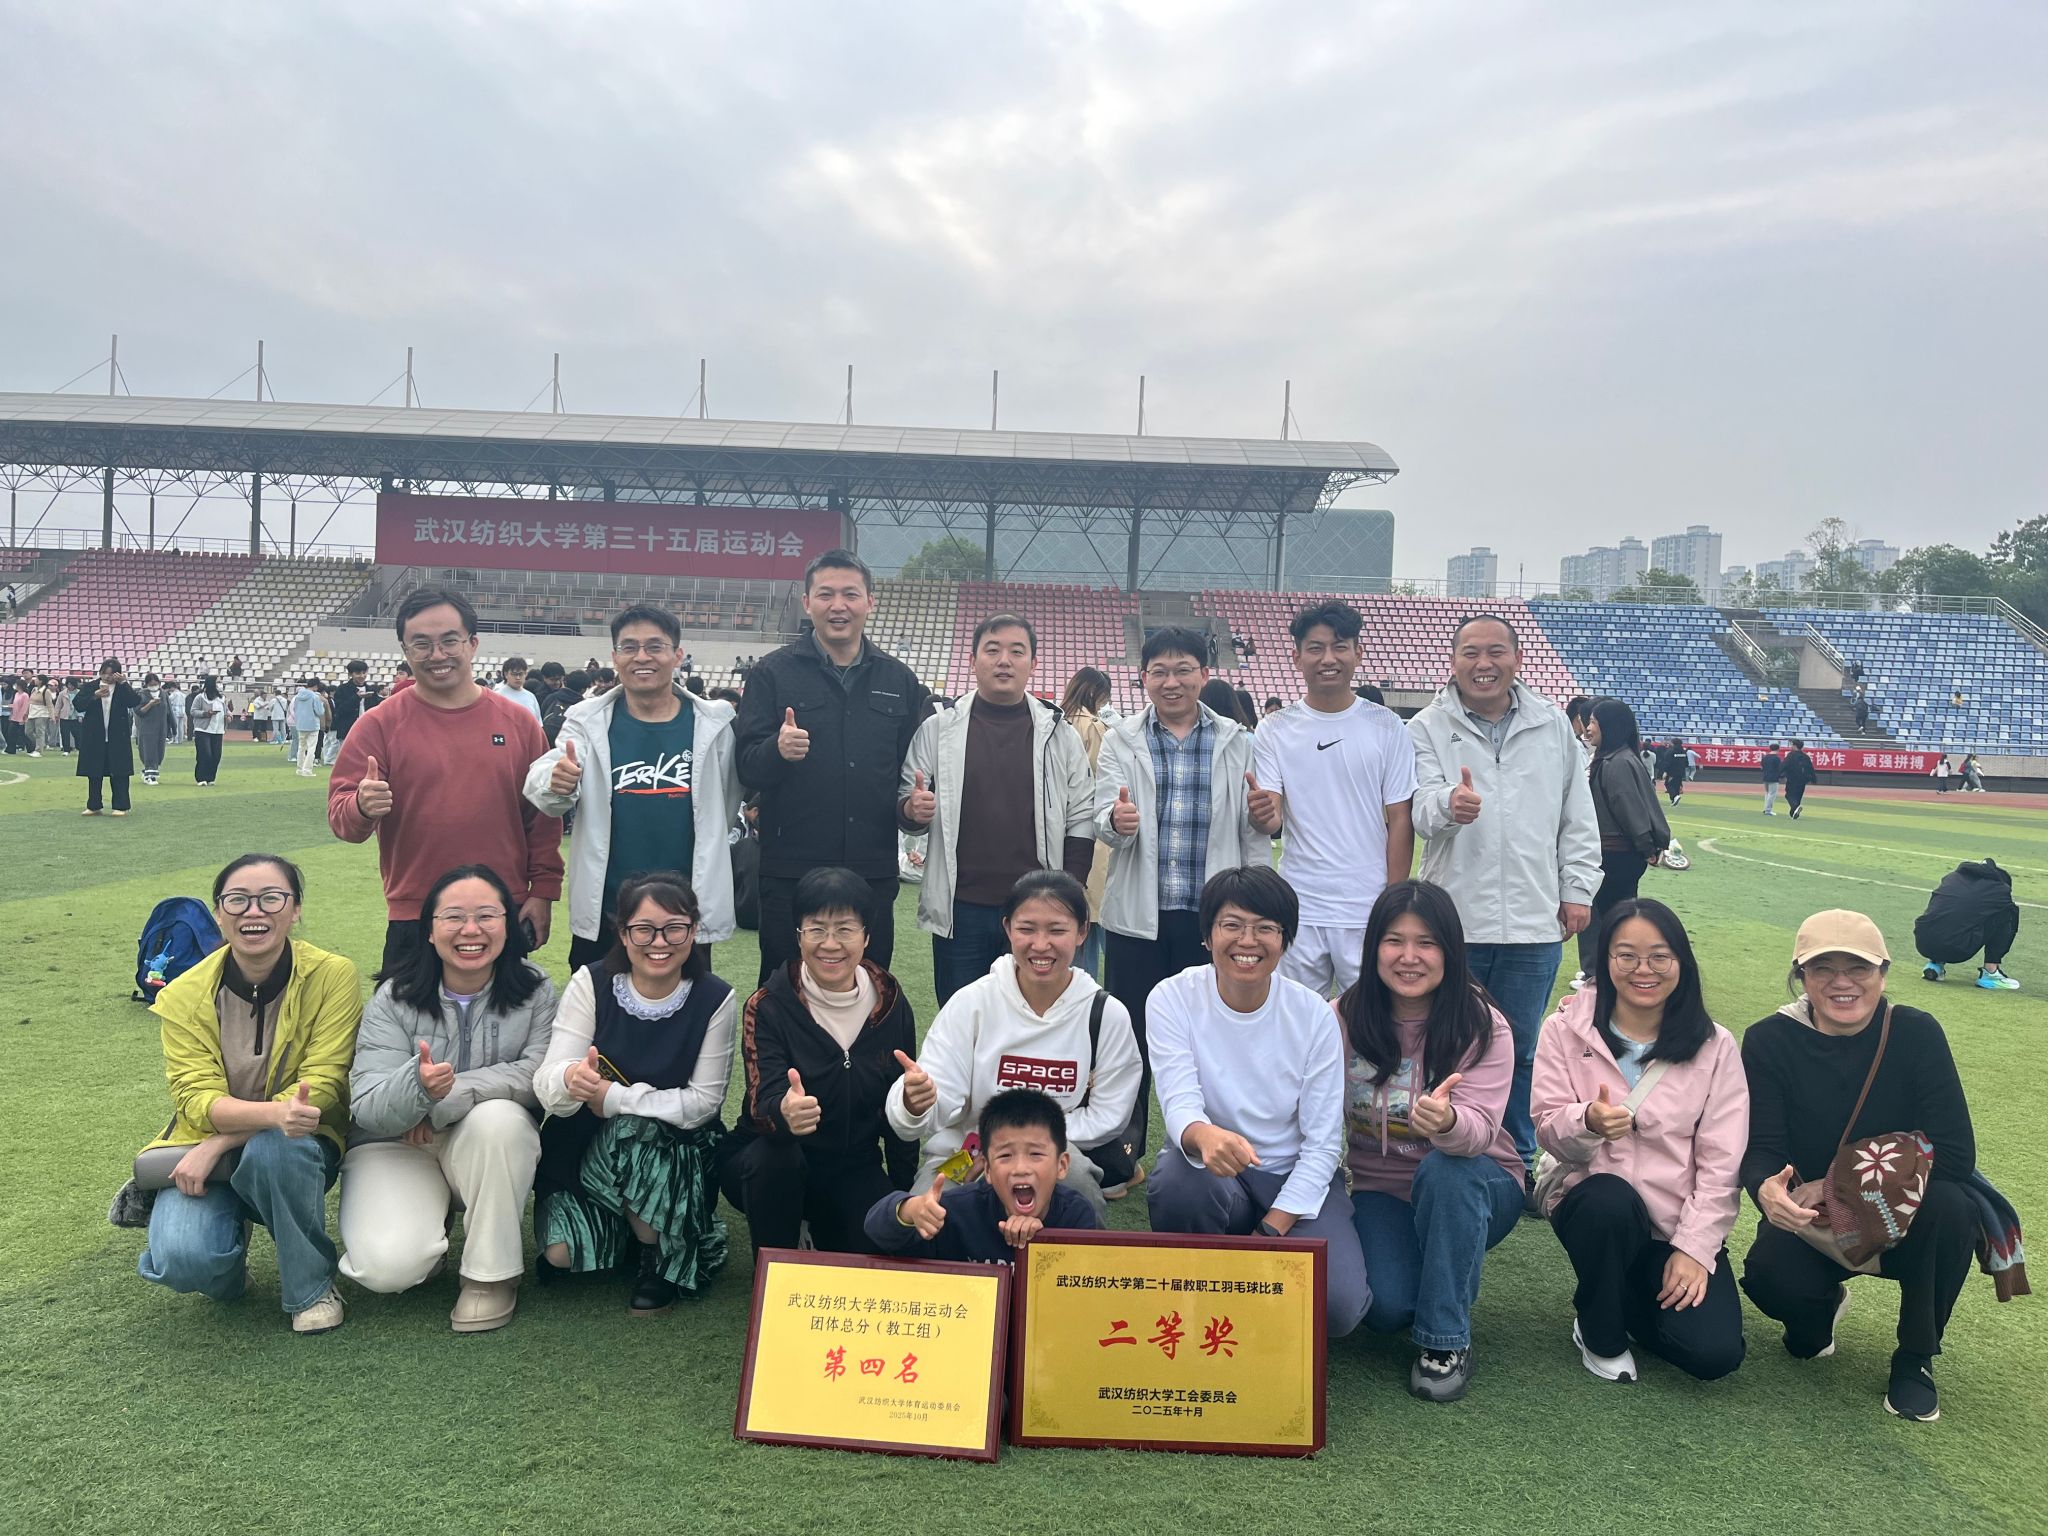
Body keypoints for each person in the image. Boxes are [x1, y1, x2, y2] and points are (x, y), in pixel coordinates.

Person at [1739, 910, 1979, 1423]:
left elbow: (1956, 1153)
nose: (1842, 982)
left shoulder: (1915, 1032)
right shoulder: (1768, 1040)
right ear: (1802, 976)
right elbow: (1762, 1147)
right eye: (1823, 968)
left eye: (1859, 968)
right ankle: (1820, 1311)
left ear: (1883, 974)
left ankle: (1915, 1357)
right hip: (1815, 1222)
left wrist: (1836, 1183)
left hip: (1903, 1217)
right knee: (1770, 1281)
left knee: (1954, 1207)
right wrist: (1765, 1189)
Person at [1407, 614, 1601, 1186]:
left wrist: (1577, 889)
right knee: (1444, 1042)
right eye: (1470, 652)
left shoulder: (1551, 725)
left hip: (1533, 920)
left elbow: (1577, 815)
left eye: (1495, 651)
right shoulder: (1426, 726)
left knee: (1520, 1048)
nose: (1483, 663)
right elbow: (1417, 809)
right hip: (1454, 921)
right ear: (1453, 661)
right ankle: (1434, 1148)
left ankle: (1514, 1159)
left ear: (1518, 658)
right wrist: (1448, 805)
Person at [134, 855, 361, 1334]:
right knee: (183, 1260)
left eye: (271, 898)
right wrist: (260, 1121)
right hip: (207, 1146)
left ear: (295, 909)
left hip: (297, 1145)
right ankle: (228, 1257)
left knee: (276, 1148)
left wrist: (223, 1140)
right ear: (219, 913)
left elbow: (323, 1083)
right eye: (237, 900)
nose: (253, 911)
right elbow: (195, 1100)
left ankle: (312, 1288)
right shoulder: (183, 993)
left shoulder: (332, 975)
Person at [1144, 865, 1370, 1342]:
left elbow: (1323, 1144)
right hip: (1216, 1173)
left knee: (1337, 1308)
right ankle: (1195, 1295)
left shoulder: (1313, 1015)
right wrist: (1203, 1136)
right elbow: (1180, 1100)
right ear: (1208, 935)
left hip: (1293, 1179)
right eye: (1232, 925)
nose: (1247, 941)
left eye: (1265, 928)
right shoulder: (1172, 997)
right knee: (1180, 1180)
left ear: (1285, 940)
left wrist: (1270, 1231)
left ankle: (1246, 1269)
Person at [1093, 626, 1278, 1195]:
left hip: (1212, 920)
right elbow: (1102, 815)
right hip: (1139, 917)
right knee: (1130, 1040)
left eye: (1183, 669)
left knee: (1213, 1036)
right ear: (1143, 678)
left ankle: (1212, 1148)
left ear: (1204, 674)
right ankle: (1122, 1156)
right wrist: (1115, 822)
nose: (1171, 682)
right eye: (1159, 671)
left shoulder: (1237, 741)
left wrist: (1255, 894)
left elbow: (1254, 832)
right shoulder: (1121, 740)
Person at [1533, 898, 1749, 1384]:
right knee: (1609, 1200)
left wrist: (1694, 1249)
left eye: (1659, 956)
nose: (1643, 970)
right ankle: (1599, 1331)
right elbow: (1547, 1127)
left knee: (1714, 1354)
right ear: (1605, 960)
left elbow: (1722, 1162)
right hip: (1594, 1209)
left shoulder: (1715, 1046)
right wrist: (1586, 1120)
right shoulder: (1564, 1030)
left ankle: (1620, 1293)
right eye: (1626, 955)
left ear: (1681, 962)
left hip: (1673, 1225)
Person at [338, 864, 554, 1332]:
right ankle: (426, 1240)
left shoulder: (535, 990)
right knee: (387, 1268)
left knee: (501, 1121)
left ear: (507, 924)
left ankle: (490, 1277)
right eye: (454, 917)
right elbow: (369, 1106)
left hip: (481, 1141)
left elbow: (539, 1074)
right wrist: (415, 1087)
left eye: (487, 916)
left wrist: (445, 1098)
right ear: (430, 931)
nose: (471, 930)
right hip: (398, 1143)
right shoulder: (394, 998)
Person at [1336, 880, 1525, 1401]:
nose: (1409, 957)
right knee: (1386, 1310)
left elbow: (1479, 1132)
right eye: (1394, 941)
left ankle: (1445, 1341)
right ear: (1374, 946)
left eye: (1427, 943)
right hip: (1381, 1189)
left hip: (1478, 1183)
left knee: (1447, 1171)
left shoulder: (1484, 1025)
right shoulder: (1342, 1017)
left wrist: (1446, 1123)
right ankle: (1437, 1266)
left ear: (1451, 950)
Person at [329, 588, 563, 979]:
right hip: (415, 912)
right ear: (405, 651)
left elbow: (542, 820)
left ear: (473, 644)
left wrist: (543, 891)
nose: (437, 655)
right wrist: (361, 807)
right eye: (421, 644)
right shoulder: (378, 725)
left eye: (449, 641)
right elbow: (342, 818)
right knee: (406, 1019)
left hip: (500, 909)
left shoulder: (520, 724)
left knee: (507, 1018)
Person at [534, 873, 735, 1313]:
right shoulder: (590, 982)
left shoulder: (715, 997)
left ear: (694, 931)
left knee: (633, 1128)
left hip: (673, 1146)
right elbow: (549, 1077)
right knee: (561, 1255)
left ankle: (658, 1251)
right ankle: (634, 1228)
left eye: (674, 928)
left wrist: (614, 1099)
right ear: (623, 933)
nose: (658, 942)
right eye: (643, 929)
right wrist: (570, 1079)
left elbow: (703, 1104)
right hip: (585, 1145)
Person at [885, 871, 1141, 1217]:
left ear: (1082, 932)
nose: (1040, 945)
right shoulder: (972, 1003)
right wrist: (914, 1103)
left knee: (1077, 1182)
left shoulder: (1106, 1014)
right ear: (1007, 928)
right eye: (1027, 929)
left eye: (1057, 930)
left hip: (1057, 1153)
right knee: (927, 1216)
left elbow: (1108, 1115)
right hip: (969, 1154)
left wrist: (1021, 1147)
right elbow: (932, 1103)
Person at [736, 550, 931, 984]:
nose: (838, 605)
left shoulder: (899, 680)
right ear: (807, 602)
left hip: (871, 869)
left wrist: (912, 810)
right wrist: (776, 751)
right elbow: (747, 768)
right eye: (825, 594)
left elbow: (906, 779)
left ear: (870, 602)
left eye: (850, 594)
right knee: (783, 989)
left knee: (871, 988)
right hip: (790, 870)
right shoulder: (771, 673)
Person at [524, 604, 741, 973]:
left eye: (655, 646)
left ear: (677, 655)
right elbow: (547, 778)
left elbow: (727, 799)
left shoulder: (714, 724)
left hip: (685, 912)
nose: (642, 657)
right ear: (615, 657)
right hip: (607, 908)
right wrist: (555, 781)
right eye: (629, 647)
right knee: (596, 1004)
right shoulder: (587, 720)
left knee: (687, 1004)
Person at [718, 866, 919, 1258]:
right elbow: (761, 1104)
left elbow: (899, 1104)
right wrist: (783, 1113)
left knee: (886, 1247)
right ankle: (775, 1269)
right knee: (775, 1159)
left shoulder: (891, 1003)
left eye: (845, 929)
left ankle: (817, 1226)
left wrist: (901, 1189)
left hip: (853, 1165)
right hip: (770, 1161)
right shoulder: (768, 1005)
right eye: (816, 929)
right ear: (799, 935)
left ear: (866, 936)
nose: (830, 944)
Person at [899, 614, 1095, 1005]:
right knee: (962, 1017)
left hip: (1036, 908)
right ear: (973, 661)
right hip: (960, 908)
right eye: (992, 650)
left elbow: (1080, 816)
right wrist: (912, 810)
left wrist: (1066, 892)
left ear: (1033, 664)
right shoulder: (938, 729)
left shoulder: (1059, 734)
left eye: (1016, 651)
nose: (1004, 660)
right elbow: (908, 800)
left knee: (1034, 1016)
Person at [1253, 600, 1418, 997]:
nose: (1328, 658)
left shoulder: (1387, 726)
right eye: (1316, 648)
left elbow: (1400, 817)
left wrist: (1393, 902)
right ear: (1297, 657)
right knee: (1297, 1017)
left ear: (1358, 653)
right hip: (1301, 904)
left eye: (1339, 646)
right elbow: (1271, 818)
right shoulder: (1274, 728)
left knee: (1371, 1019)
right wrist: (1261, 813)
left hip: (1366, 904)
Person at [867, 1090, 1100, 1262]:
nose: (1020, 1168)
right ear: (987, 1169)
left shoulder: (1076, 1215)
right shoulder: (958, 1211)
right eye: (1005, 1155)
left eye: (1036, 1154)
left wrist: (1044, 1241)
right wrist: (910, 1210)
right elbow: (877, 1231)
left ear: (1062, 1165)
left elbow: (1082, 1284)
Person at [1580, 699, 1671, 980]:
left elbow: (1628, 808)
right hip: (1617, 854)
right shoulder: (1620, 758)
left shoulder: (1617, 762)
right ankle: (1603, 972)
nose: (1588, 728)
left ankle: (1601, 974)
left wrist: (1645, 847)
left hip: (1615, 854)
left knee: (1608, 917)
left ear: (1609, 726)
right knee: (1609, 915)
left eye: (1593, 722)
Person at [1059, 665, 1115, 979]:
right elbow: (1100, 779)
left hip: (1058, 828)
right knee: (1093, 922)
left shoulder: (1054, 721)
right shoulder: (1093, 726)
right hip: (1091, 831)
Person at [1916, 858, 2022, 990]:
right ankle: (1991, 972)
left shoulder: (1951, 877)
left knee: (1949, 911)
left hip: (1923, 943)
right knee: (2008, 912)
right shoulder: (1999, 888)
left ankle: (1935, 964)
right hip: (1956, 950)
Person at [73, 657, 141, 816]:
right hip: (94, 735)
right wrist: (94, 696)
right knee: (94, 772)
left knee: (119, 772)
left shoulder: (121, 687)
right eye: (104, 673)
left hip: (117, 736)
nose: (107, 677)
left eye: (111, 674)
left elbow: (134, 701)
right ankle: (94, 805)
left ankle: (121, 806)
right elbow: (78, 704)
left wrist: (124, 683)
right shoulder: (91, 686)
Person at [133, 673, 169, 785]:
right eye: (151, 684)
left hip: (161, 727)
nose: (154, 686)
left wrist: (172, 727)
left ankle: (148, 771)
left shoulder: (163, 694)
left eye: (155, 684)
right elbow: (138, 711)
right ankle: (151, 775)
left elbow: (169, 711)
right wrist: (150, 704)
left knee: (159, 751)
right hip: (147, 728)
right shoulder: (142, 695)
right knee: (149, 750)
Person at [190, 676, 225, 785]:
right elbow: (193, 711)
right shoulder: (200, 697)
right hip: (203, 730)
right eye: (218, 682)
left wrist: (229, 716)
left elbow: (226, 710)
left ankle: (211, 777)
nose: (219, 684)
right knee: (205, 754)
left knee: (216, 755)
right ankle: (201, 777)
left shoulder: (221, 698)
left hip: (218, 730)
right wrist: (205, 714)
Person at [331, 660, 369, 752]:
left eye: (364, 673)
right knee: (347, 756)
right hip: (347, 729)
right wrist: (356, 697)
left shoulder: (371, 689)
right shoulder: (342, 689)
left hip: (367, 729)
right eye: (358, 673)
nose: (362, 676)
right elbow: (340, 710)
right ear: (350, 674)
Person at [290, 678, 323, 776]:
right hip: (313, 725)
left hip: (301, 724)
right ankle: (307, 770)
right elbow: (319, 712)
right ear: (315, 686)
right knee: (311, 748)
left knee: (301, 748)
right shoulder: (315, 697)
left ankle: (299, 769)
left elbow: (295, 709)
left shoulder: (297, 697)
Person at [493, 656, 542, 721]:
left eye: (520, 674)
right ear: (506, 674)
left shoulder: (531, 697)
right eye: (514, 674)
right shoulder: (497, 695)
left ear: (525, 674)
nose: (518, 678)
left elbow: (538, 723)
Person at [1782, 737, 1818, 819]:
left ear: (1795, 746)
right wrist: (1813, 779)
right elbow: (1810, 768)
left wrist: (1779, 774)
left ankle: (1795, 807)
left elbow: (1784, 765)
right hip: (1803, 780)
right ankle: (1794, 813)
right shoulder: (1805, 756)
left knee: (1789, 795)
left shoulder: (1791, 755)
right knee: (1798, 796)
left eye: (1792, 745)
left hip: (1792, 778)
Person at [27, 673, 55, 755]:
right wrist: (26, 712)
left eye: (37, 679)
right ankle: (41, 744)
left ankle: (38, 750)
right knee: (28, 731)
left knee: (40, 732)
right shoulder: (34, 689)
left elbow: (50, 704)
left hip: (42, 714)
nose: (35, 680)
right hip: (32, 712)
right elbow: (30, 702)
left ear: (41, 681)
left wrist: (52, 716)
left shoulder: (46, 691)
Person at [1657, 738, 1687, 807]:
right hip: (1681, 772)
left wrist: (1665, 771)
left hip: (1672, 772)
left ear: (1673, 743)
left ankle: (1674, 796)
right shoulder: (1683, 751)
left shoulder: (1670, 751)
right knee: (1676, 785)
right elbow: (1686, 763)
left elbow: (1667, 762)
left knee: (1668, 784)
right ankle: (1674, 800)